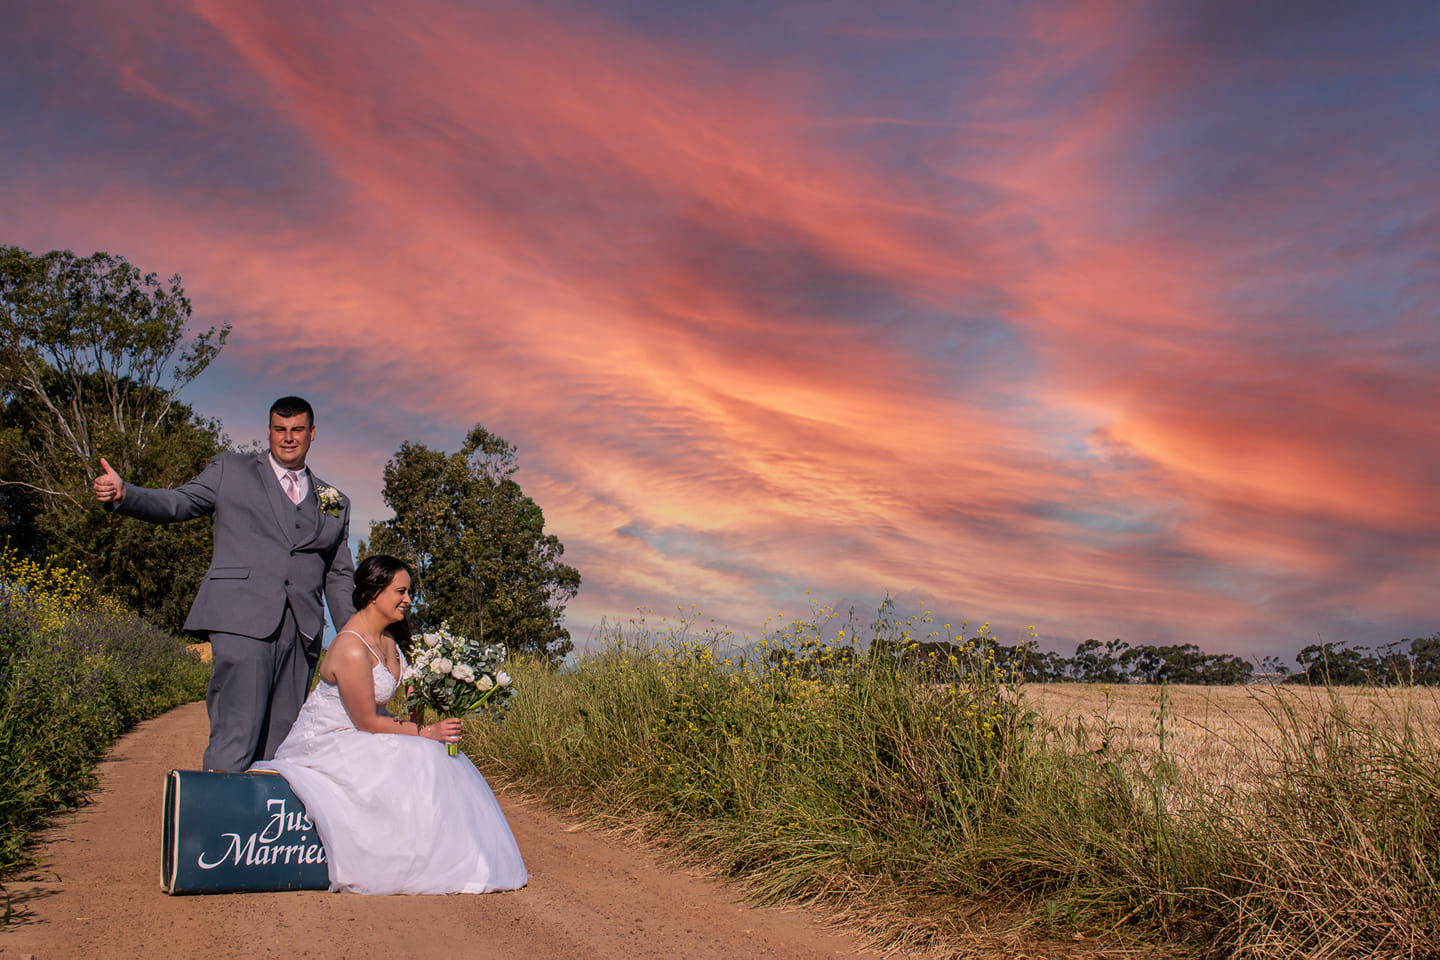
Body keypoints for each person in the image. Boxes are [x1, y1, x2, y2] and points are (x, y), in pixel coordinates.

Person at [92, 396, 356, 772]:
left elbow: (339, 575)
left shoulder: (335, 501)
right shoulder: (229, 470)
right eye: (280, 430)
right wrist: (125, 493)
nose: (288, 438)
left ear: (311, 434)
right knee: (237, 735)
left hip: (302, 634)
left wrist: (355, 638)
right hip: (241, 620)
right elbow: (178, 503)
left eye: (297, 430)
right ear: (269, 432)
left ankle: (263, 829)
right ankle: (218, 826)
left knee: (285, 746)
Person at [253, 555, 528, 895]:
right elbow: (366, 721)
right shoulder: (351, 647)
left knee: (438, 757)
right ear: (374, 592)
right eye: (401, 591)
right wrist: (426, 734)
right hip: (333, 739)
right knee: (420, 756)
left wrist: (431, 703)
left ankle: (449, 858)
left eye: (408, 591)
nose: (408, 600)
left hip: (367, 731)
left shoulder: (391, 642)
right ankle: (405, 858)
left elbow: (407, 711)